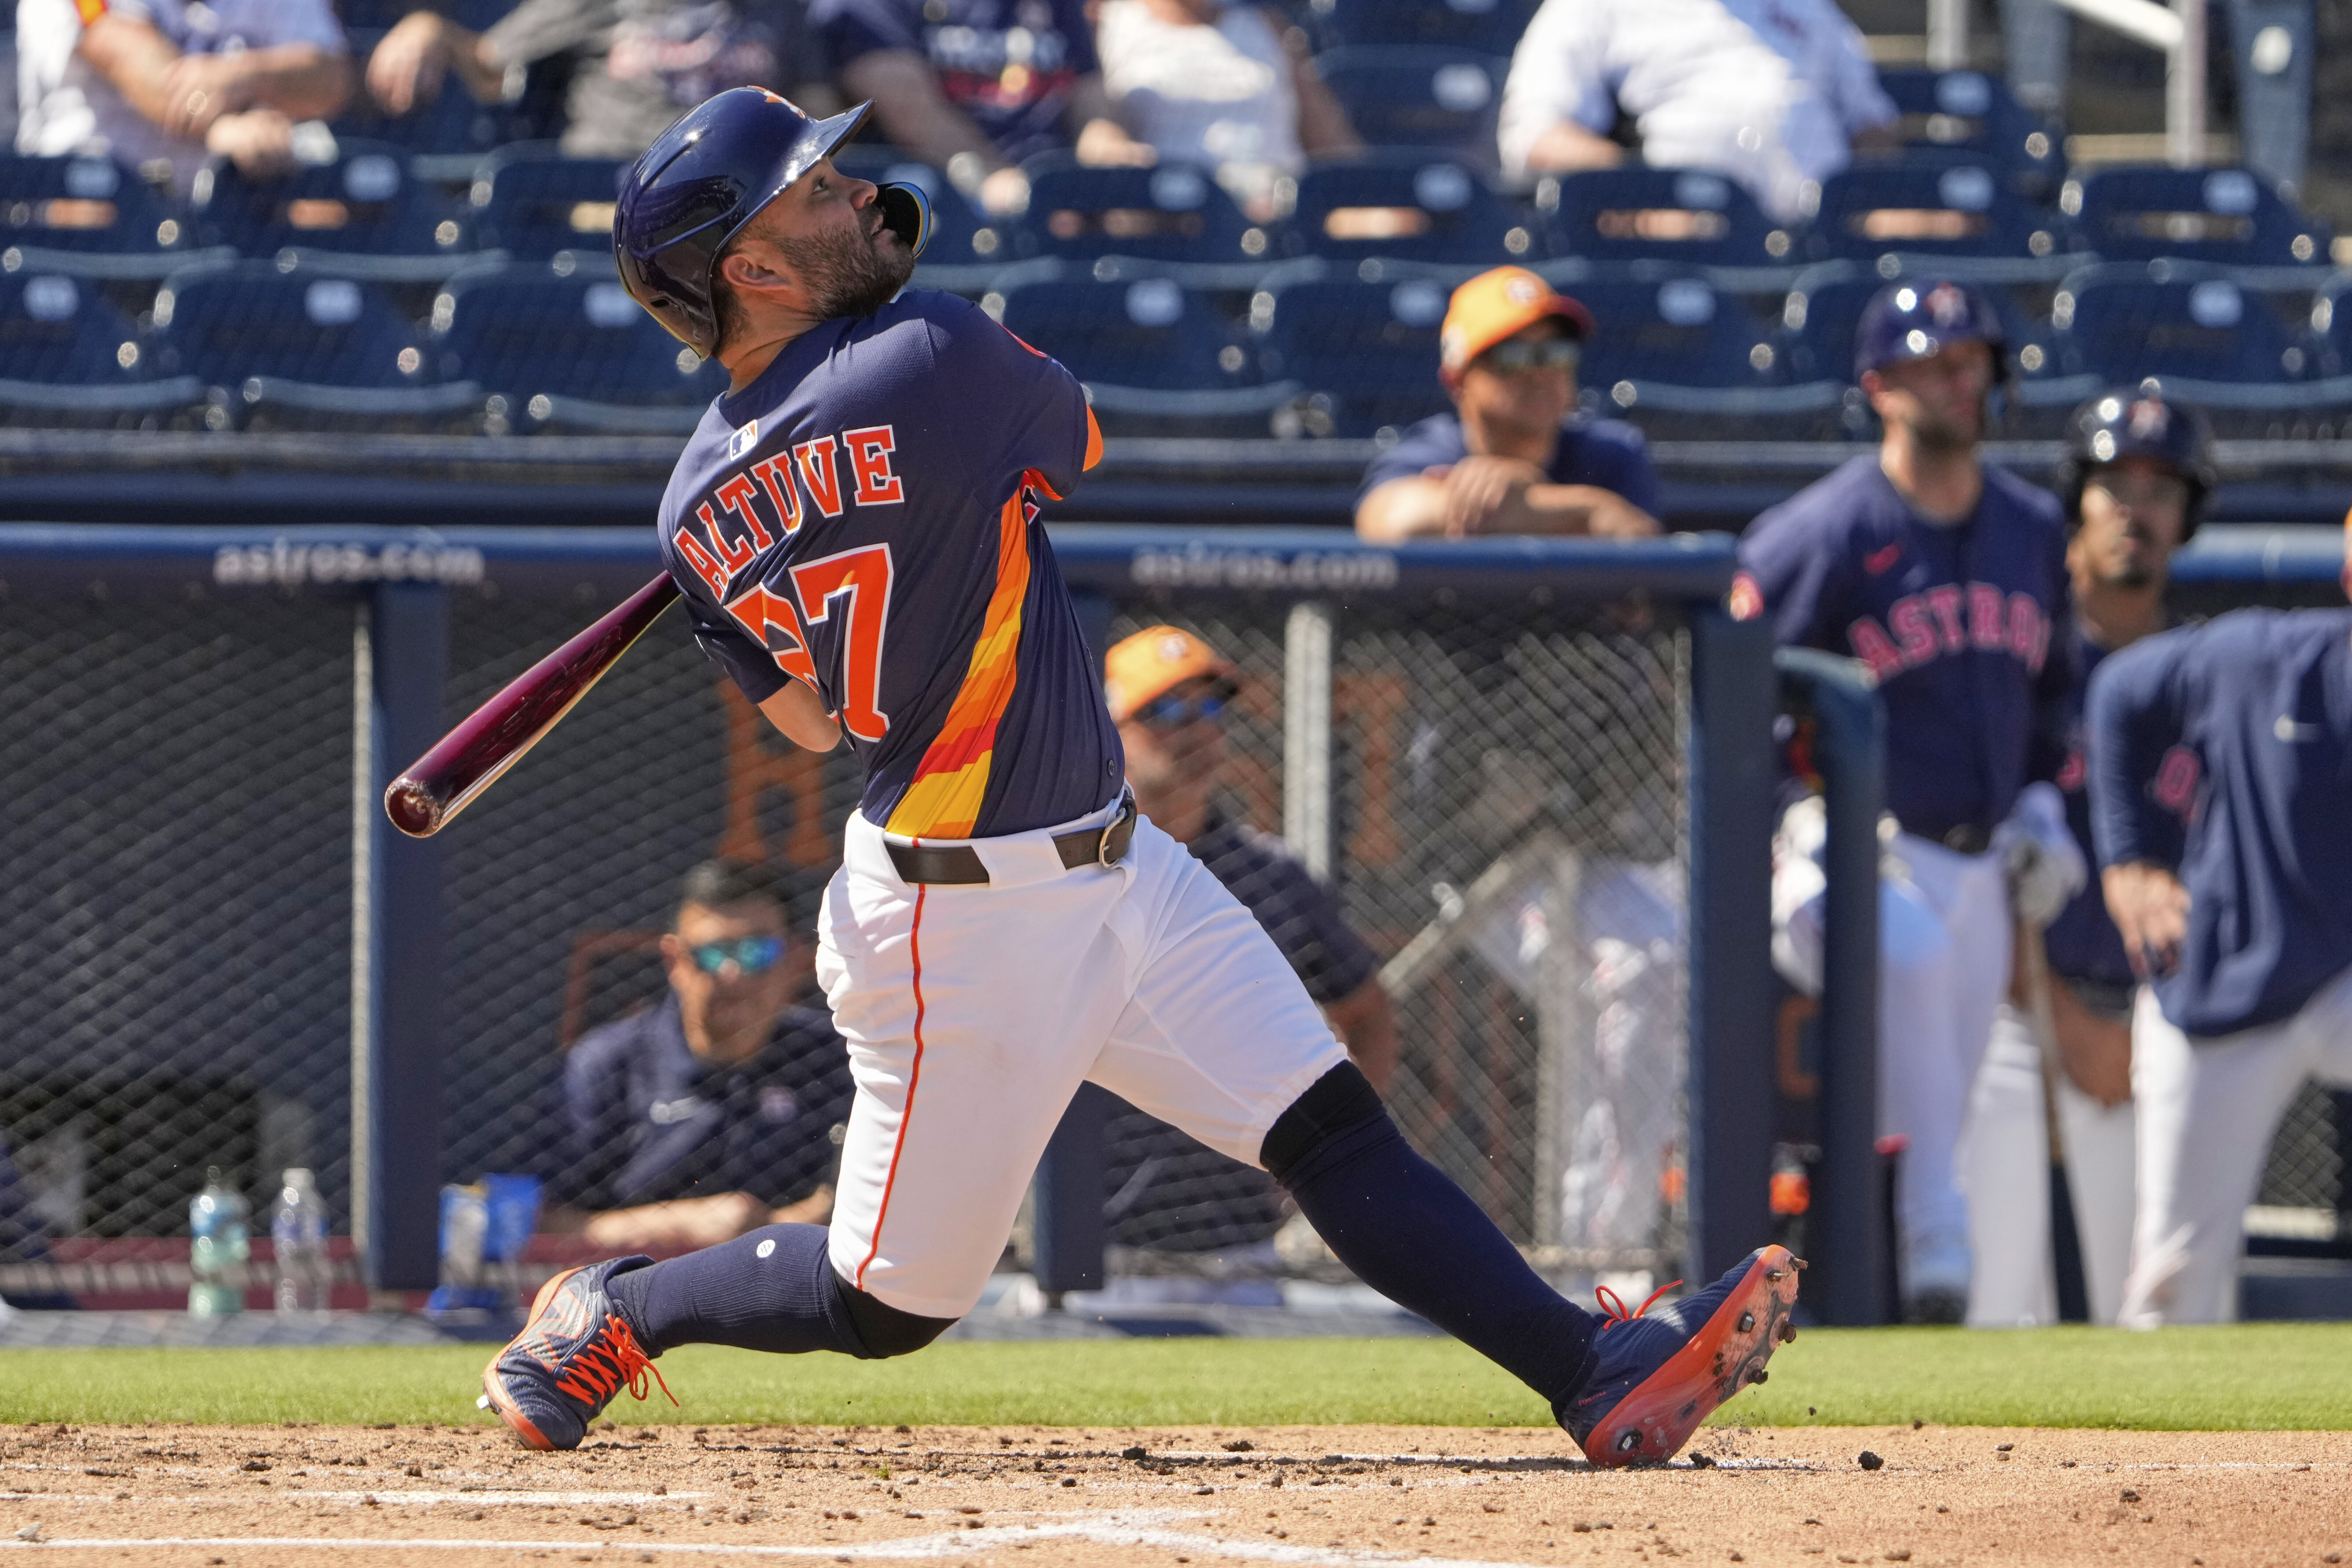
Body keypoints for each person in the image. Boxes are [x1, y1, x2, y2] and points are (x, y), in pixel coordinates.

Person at [476, 86, 1801, 1462]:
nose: (856, 193)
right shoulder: (926, 347)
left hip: (1112, 861)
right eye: (815, 190)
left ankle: (1591, 1368)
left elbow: (810, 721)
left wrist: (790, 511)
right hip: (962, 917)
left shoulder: (693, 505)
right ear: (747, 267)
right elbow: (1078, 444)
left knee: (1324, 1125)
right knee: (887, 1297)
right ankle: (611, 1308)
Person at [1733, 279, 2084, 1323]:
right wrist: (1777, 812)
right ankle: (1933, 1230)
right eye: (1935, 363)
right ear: (1878, 385)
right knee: (1913, 962)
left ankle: (1868, 1300)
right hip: (1843, 848)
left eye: (1972, 361)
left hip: (1980, 861)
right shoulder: (1823, 531)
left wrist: (2042, 805)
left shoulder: (2028, 525)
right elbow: (1737, 685)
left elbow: (2057, 691)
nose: (1961, 381)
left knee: (1931, 1094)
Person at [1958, 388, 2209, 1327]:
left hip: (2158, 1019)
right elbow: (1980, 863)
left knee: (2157, 1311)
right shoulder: (2020, 657)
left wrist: (2145, 1025)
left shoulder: (2203, 676)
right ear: (2079, 503)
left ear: (2187, 516)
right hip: (2012, 1010)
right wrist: (2063, 1018)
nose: (2137, 510)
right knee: (1997, 1298)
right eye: (2116, 486)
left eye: (2162, 489)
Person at [2086, 511, 2352, 1328]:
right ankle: (2150, 1460)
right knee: (2172, 1278)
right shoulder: (2260, 657)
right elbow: (2119, 693)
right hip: (2229, 974)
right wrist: (2127, 859)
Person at [1104, 625, 1396, 1089]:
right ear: (1109, 731)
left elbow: (1365, 1013)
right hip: (1088, 1161)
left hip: (1240, 1161)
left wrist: (1347, 1151)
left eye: (1211, 707)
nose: (1198, 729)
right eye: (1167, 710)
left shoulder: (1269, 873)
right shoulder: (1077, 871)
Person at [540, 860, 852, 1253]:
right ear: (675, 961)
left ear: (794, 960)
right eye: (713, 954)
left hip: (798, 1291)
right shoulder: (605, 1063)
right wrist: (685, 1226)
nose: (734, 974)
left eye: (758, 951)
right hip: (635, 1295)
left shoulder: (840, 1056)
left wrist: (771, 1232)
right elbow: (546, 1224)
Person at [1495, 0, 1898, 226]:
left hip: (1817, 238)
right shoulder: (1595, 7)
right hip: (1682, 244)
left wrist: (1879, 204)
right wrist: (1646, 195)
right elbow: (1535, 136)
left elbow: (1873, 126)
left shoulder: (1808, 9)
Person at [1355, 267, 1662, 543]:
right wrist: (1585, 509)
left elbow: (1644, 558)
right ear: (1460, 381)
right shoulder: (1432, 451)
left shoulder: (1614, 452)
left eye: (1557, 353)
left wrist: (1536, 496)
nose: (1540, 374)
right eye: (1514, 356)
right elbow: (1390, 523)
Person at [362, 0, 835, 160]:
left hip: (738, 198)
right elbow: (489, 66)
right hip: (612, 192)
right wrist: (431, 28)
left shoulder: (779, 8)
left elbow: (818, 113)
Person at [811, 0, 1149, 217]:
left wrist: (1111, 157)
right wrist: (996, 178)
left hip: (1053, 195)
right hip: (938, 205)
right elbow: (908, 109)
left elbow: (1089, 97)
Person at [16, 0, 352, 192]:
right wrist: (225, 128)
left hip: (230, 200)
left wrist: (247, 74)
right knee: (84, 200)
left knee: (329, 202)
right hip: (101, 194)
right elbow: (120, 50)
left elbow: (331, 75)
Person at [1090, 0, 1360, 222]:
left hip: (1284, 220)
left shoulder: (1268, 25)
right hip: (1172, 222)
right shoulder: (1109, 23)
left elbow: (1336, 148)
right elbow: (1096, 131)